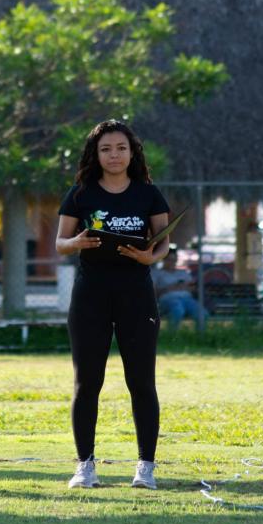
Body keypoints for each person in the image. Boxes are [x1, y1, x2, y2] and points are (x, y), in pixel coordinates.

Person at [55, 119, 171, 490]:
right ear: (96, 153)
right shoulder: (80, 194)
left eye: (121, 148)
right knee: (87, 382)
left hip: (137, 296)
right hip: (90, 296)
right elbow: (60, 242)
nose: (114, 155)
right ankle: (85, 466)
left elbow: (163, 242)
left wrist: (151, 257)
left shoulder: (148, 194)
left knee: (141, 382)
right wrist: (77, 243)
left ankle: (146, 467)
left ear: (132, 152)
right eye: (106, 149)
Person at [151, 248, 206, 330]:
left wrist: (185, 287)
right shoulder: (156, 273)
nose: (172, 262)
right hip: (168, 299)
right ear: (163, 260)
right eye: (169, 260)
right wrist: (169, 288)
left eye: (174, 260)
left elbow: (194, 288)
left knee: (202, 313)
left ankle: (200, 336)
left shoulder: (183, 272)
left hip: (187, 299)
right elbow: (152, 293)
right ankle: (172, 335)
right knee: (177, 309)